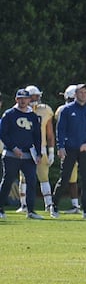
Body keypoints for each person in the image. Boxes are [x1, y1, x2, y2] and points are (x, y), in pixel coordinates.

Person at [56, 83, 86, 218]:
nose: (83, 95)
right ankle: (54, 206)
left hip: (85, 150)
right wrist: (60, 147)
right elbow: (60, 130)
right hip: (70, 149)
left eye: (85, 92)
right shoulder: (66, 110)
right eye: (80, 92)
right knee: (64, 178)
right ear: (75, 94)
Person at [1, 89, 45, 219]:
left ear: (29, 100)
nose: (23, 101)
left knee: (31, 182)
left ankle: (30, 211)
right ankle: (0, 208)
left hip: (28, 155)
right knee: (7, 181)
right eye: (20, 98)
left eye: (25, 98)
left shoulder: (33, 116)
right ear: (16, 99)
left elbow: (37, 136)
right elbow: (3, 133)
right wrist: (13, 148)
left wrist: (38, 153)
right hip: (11, 154)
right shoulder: (9, 114)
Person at [24, 86, 56, 216]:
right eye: (33, 96)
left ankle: (48, 203)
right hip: (25, 147)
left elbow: (50, 133)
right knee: (23, 178)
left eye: (37, 96)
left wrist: (51, 150)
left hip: (40, 147)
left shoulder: (45, 110)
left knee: (44, 176)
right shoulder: (20, 110)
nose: (35, 99)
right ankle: (23, 204)